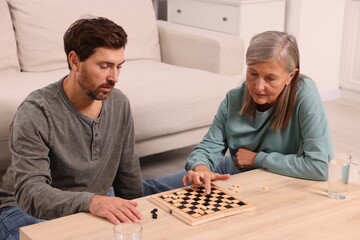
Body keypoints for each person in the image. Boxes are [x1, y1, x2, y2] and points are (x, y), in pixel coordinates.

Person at [0, 17, 143, 240]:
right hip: (22, 210)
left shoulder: (119, 103)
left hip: (90, 204)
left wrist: (139, 218)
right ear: (75, 61)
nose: (114, 78)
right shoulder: (36, 112)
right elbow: (30, 193)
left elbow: (128, 173)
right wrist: (92, 201)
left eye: (118, 66)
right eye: (104, 66)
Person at [143, 31, 333, 195]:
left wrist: (257, 159)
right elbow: (209, 146)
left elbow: (320, 166)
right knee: (151, 187)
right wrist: (201, 168)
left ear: (291, 76)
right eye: (252, 73)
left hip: (284, 179)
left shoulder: (304, 93)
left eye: (270, 78)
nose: (258, 87)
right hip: (236, 170)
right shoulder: (234, 98)